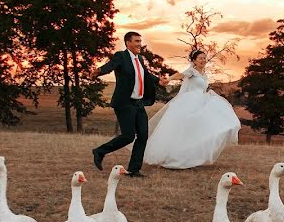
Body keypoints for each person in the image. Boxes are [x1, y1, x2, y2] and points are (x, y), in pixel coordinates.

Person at [143, 49, 241, 169]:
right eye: (200, 58)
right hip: (189, 104)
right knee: (184, 131)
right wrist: (169, 79)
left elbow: (203, 88)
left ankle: (191, 157)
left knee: (202, 129)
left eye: (204, 58)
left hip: (201, 102)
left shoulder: (204, 74)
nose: (203, 60)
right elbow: (180, 75)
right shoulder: (191, 71)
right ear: (194, 60)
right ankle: (174, 157)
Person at [91, 32, 169, 178]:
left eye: (140, 41)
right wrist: (99, 71)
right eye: (136, 41)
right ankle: (100, 151)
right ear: (128, 43)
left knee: (143, 135)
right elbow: (110, 66)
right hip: (124, 103)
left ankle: (134, 170)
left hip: (138, 103)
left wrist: (158, 81)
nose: (140, 44)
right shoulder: (121, 56)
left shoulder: (139, 59)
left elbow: (145, 74)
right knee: (128, 136)